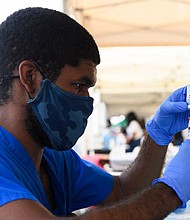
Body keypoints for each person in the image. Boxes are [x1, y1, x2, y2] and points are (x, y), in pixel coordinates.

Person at [0, 7, 190, 220]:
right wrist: (170, 192)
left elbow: (123, 192)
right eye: (79, 85)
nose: (86, 101)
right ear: (30, 77)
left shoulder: (55, 159)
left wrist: (158, 134)